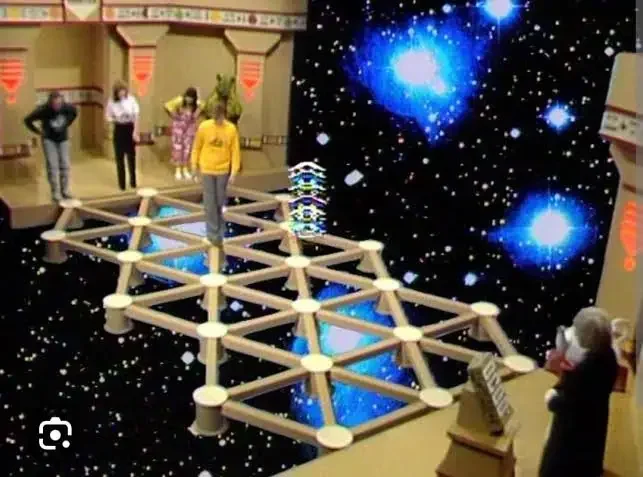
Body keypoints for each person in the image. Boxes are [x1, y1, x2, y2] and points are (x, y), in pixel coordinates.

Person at [539, 307, 618, 477]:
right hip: (592, 430)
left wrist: (551, 397)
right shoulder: (609, 356)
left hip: (572, 439)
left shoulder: (588, 369)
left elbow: (568, 403)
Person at [191, 101, 241, 250]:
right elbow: (196, 147)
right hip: (207, 169)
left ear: (224, 115)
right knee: (209, 203)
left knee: (219, 201)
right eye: (215, 117)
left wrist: (234, 172)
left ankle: (220, 229)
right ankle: (212, 234)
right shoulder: (204, 127)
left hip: (222, 170)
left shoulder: (231, 129)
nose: (217, 120)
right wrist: (194, 166)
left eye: (220, 117)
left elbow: (235, 152)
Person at [24, 91, 78, 202]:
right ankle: (55, 192)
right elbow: (27, 120)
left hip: (63, 139)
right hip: (49, 140)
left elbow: (75, 113)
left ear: (62, 102)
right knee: (52, 166)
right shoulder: (43, 110)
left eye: (59, 104)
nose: (57, 107)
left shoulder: (68, 108)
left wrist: (67, 124)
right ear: (50, 103)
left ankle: (65, 190)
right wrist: (38, 131)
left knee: (65, 165)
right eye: (54, 104)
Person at [105, 81, 140, 190]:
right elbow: (108, 116)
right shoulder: (111, 102)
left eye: (123, 91)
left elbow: (136, 116)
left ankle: (133, 182)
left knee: (131, 157)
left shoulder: (131, 99)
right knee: (119, 158)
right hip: (119, 128)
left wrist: (135, 132)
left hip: (129, 128)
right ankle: (122, 185)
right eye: (119, 92)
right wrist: (115, 119)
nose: (121, 93)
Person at [164, 87, 203, 181]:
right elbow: (166, 105)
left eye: (191, 98)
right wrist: (173, 115)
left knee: (187, 149)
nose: (189, 100)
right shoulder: (179, 100)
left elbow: (202, 106)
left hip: (189, 128)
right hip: (178, 127)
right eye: (188, 97)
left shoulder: (197, 104)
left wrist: (197, 112)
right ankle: (178, 169)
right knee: (178, 148)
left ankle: (185, 169)